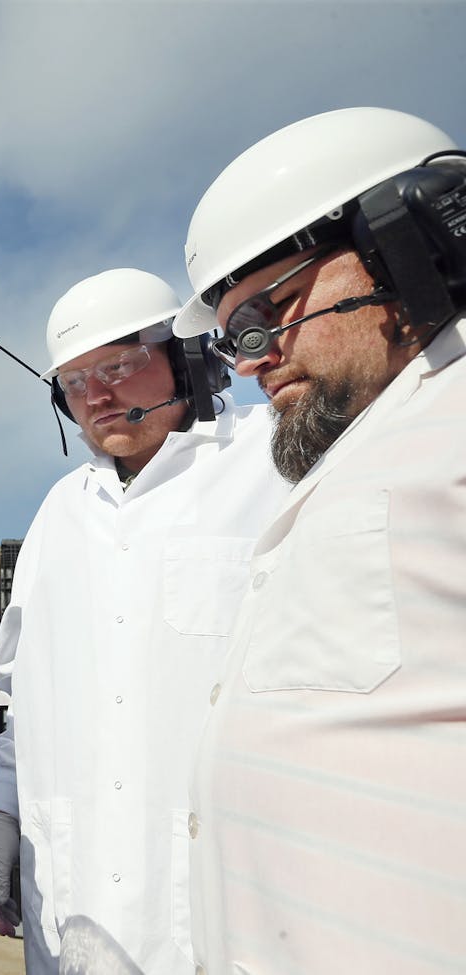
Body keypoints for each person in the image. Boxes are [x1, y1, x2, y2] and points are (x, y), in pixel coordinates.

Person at [172, 106, 466, 974]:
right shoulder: (382, 442)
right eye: (234, 336)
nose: (254, 357)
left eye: (270, 309)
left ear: (412, 239)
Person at [0, 269, 289, 973]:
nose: (97, 395)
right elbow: (28, 697)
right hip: (73, 898)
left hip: (224, 897)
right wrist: (3, 813)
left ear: (188, 354)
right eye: (75, 382)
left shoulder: (272, 458)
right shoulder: (59, 515)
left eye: (117, 365)